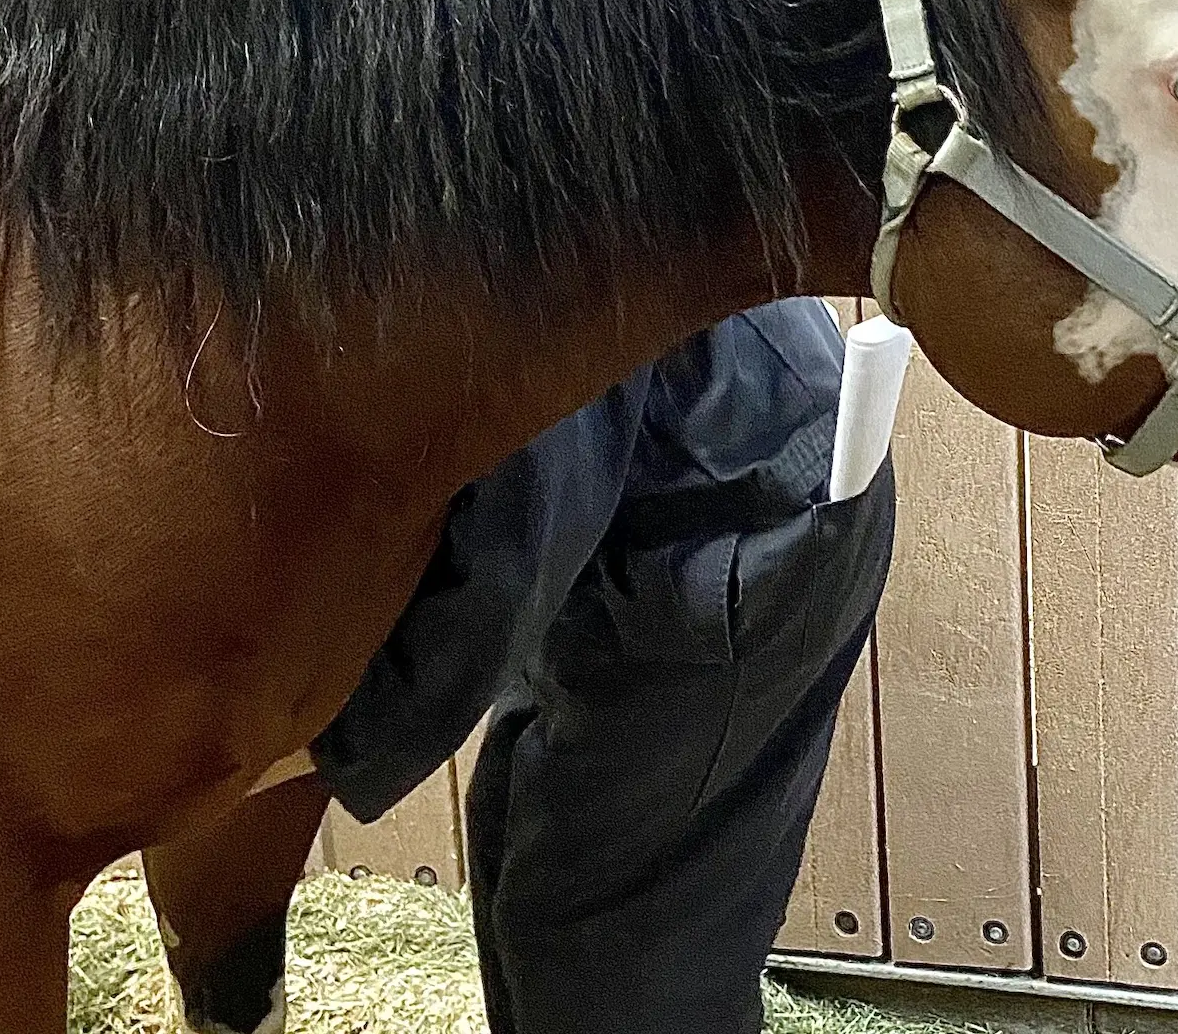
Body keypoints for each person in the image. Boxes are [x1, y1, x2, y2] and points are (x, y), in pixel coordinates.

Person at [312, 296, 895, 1034]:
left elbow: (518, 549)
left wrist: (340, 743)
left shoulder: (536, 239)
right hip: (729, 484)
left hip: (725, 541)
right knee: (520, 838)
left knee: (605, 930)